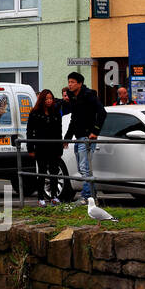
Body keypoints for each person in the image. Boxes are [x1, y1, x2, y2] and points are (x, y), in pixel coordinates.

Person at [61, 72, 106, 201]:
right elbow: (73, 120)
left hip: (87, 137)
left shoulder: (88, 95)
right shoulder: (73, 97)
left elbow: (102, 113)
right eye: (69, 82)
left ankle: (87, 197)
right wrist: (67, 138)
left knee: (84, 167)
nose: (70, 84)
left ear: (79, 84)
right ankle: (91, 194)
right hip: (78, 137)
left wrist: (95, 132)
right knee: (82, 168)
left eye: (73, 82)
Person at [27, 89, 64, 204]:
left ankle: (54, 196)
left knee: (54, 172)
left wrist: (60, 148)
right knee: (42, 172)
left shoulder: (56, 112)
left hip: (54, 147)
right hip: (41, 147)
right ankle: (40, 198)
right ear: (42, 100)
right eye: (47, 99)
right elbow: (29, 131)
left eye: (51, 99)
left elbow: (59, 131)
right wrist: (30, 148)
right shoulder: (34, 112)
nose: (49, 101)